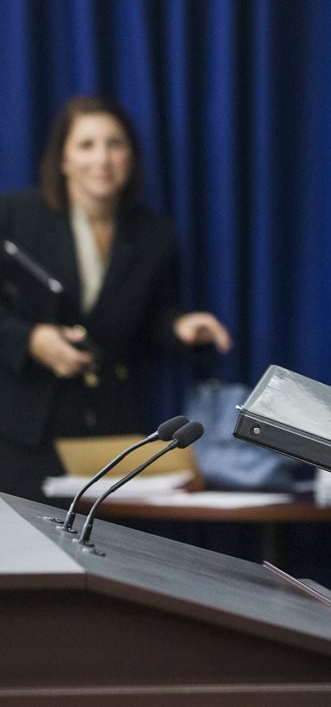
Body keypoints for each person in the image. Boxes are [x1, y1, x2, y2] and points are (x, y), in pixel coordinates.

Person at [0, 95, 231, 502]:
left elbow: (151, 321)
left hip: (109, 431)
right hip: (24, 430)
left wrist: (179, 327)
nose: (102, 158)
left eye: (114, 144)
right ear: (63, 159)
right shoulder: (15, 215)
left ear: (131, 157)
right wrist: (32, 340)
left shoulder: (155, 234)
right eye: (86, 145)